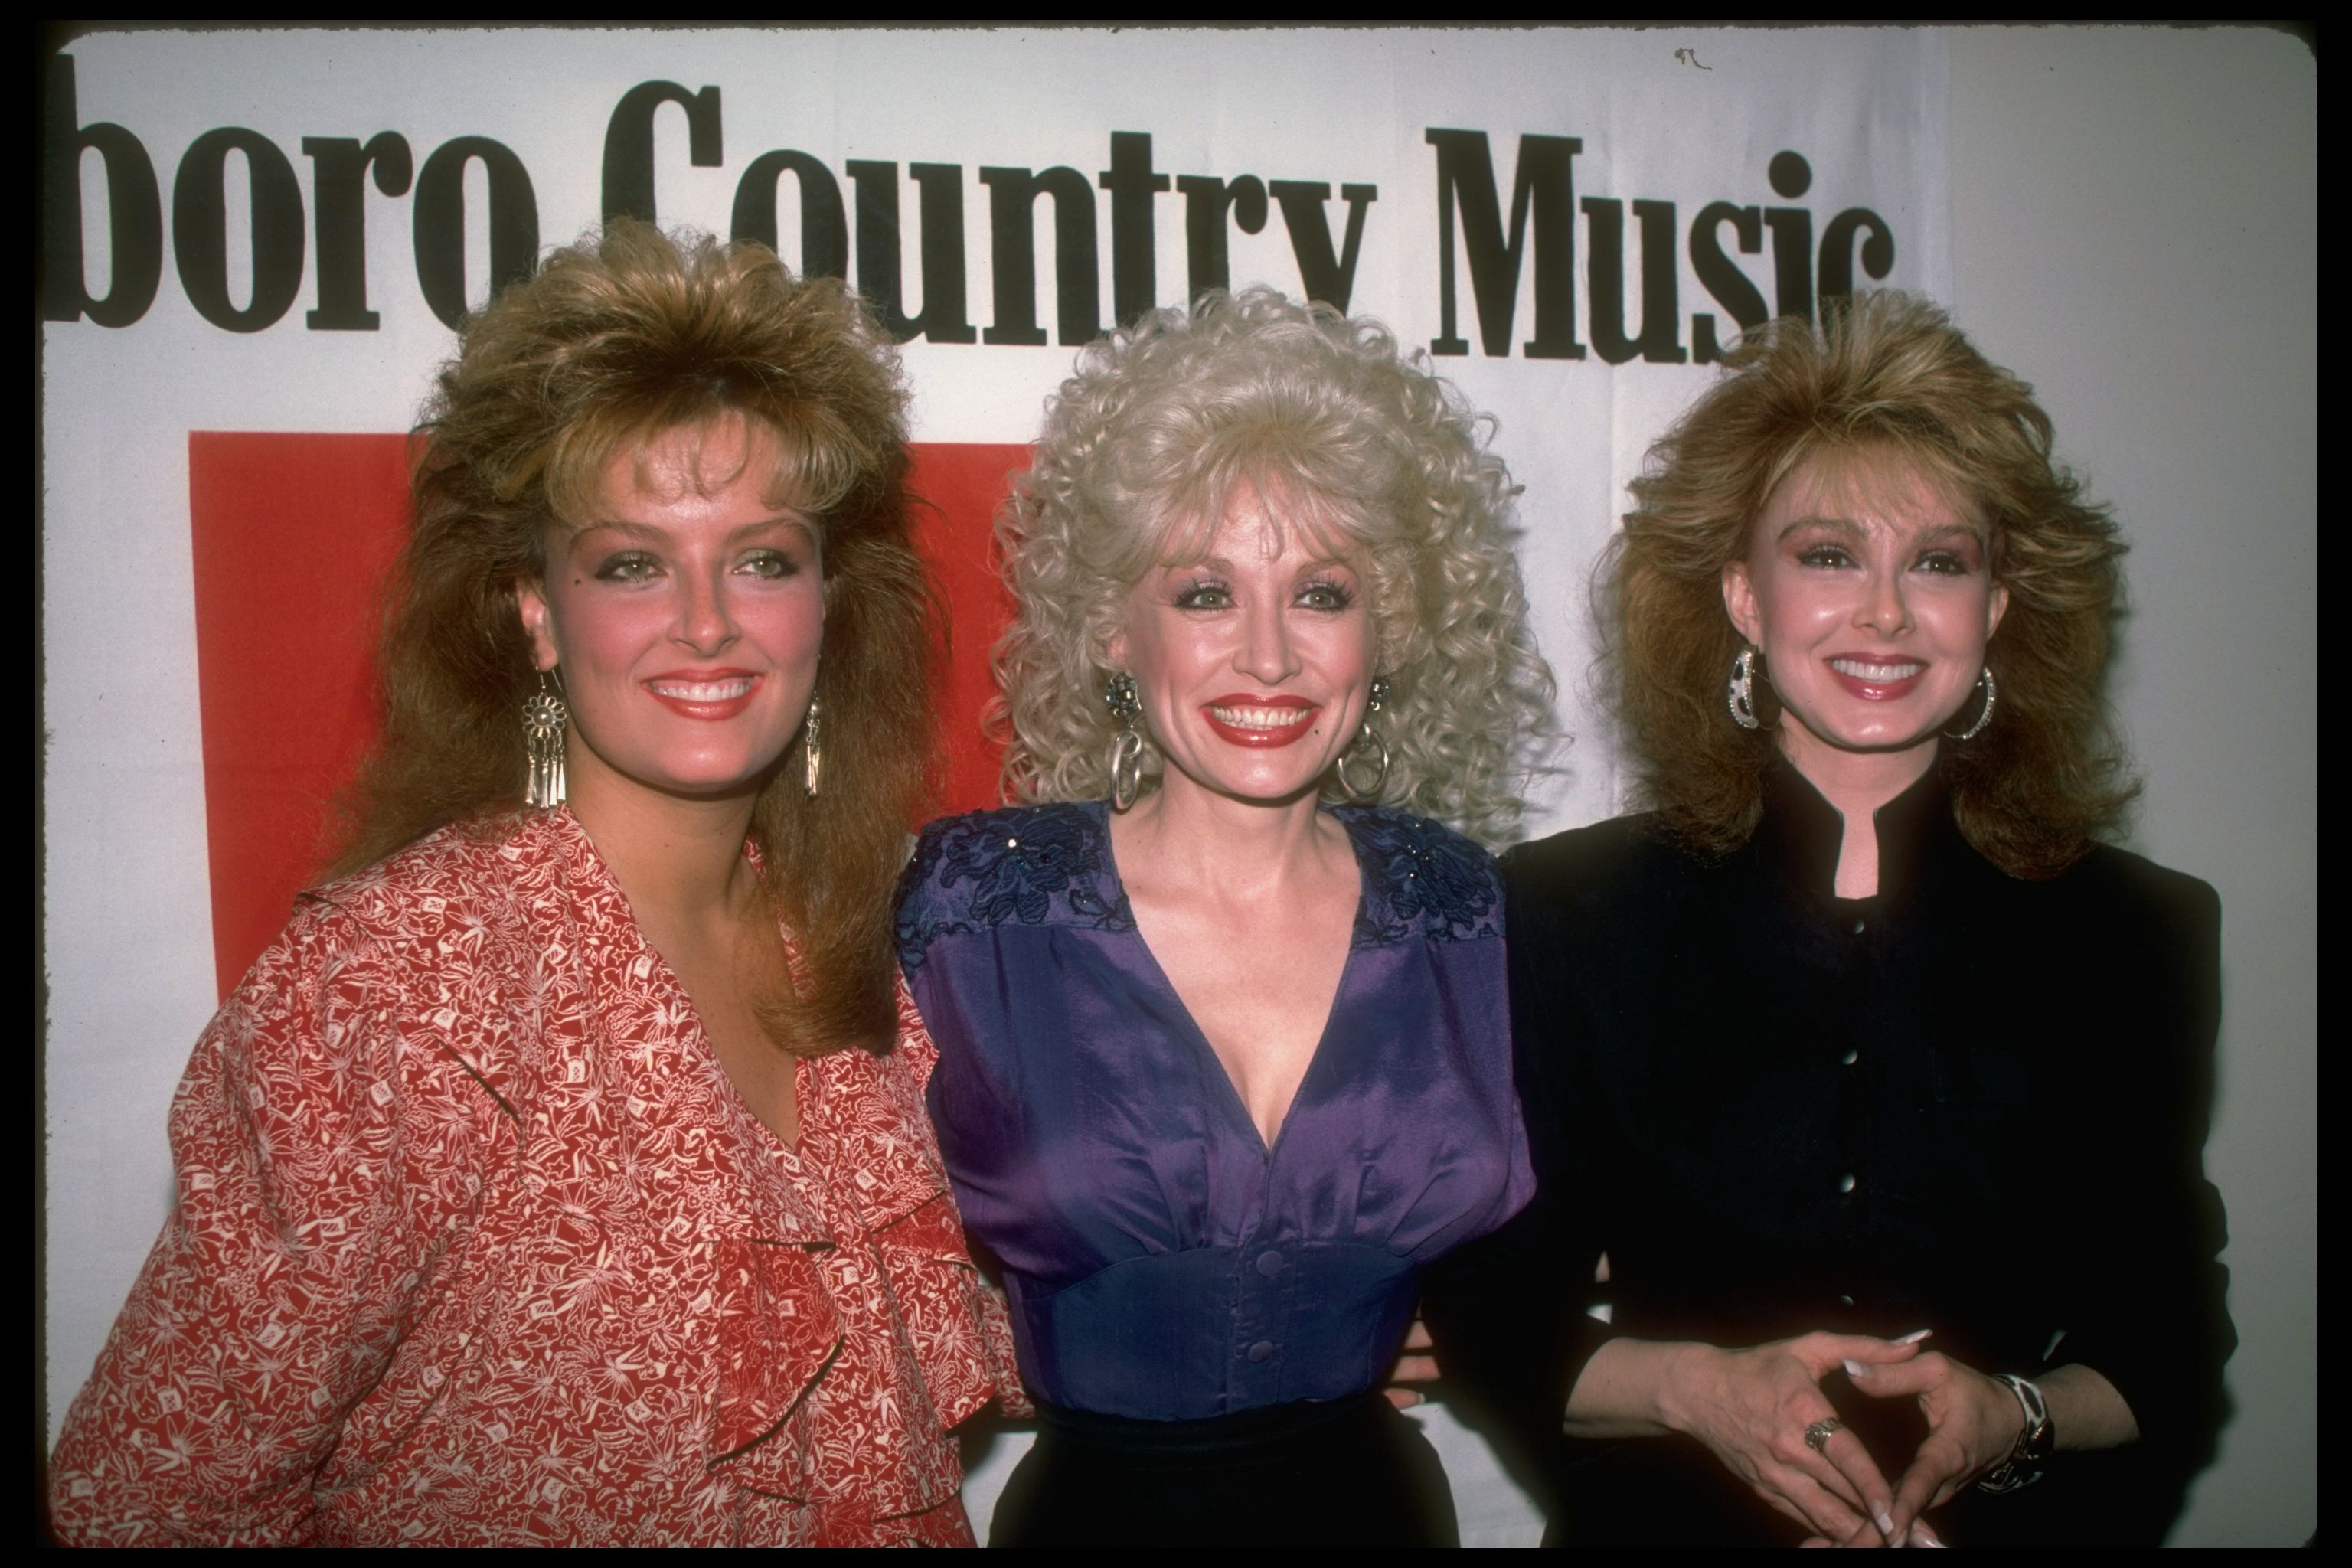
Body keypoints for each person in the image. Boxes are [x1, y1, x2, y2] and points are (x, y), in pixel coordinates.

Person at [47, 222, 1020, 1546]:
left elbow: (916, 1357)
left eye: (762, 556)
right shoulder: (396, 991)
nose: (706, 620)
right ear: (536, 611)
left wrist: (1307, 1302)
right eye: (631, 562)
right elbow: (150, 1503)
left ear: (826, 603)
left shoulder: (847, 949)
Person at [1424, 291, 2235, 1547]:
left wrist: (2011, 1416)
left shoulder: (2137, 932)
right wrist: (1704, 1392)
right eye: (1828, 555)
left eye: (1940, 563)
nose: (1886, 614)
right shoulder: (1566, 910)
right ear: (1745, 597)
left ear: (1999, 609)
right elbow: (1496, 1312)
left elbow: (2169, 1351)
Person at [893, 289, 1554, 1546]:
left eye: (1322, 592)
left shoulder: (1460, 910)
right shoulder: (972, 912)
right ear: (1110, 631)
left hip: (1378, 1517)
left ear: (1393, 628)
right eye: (1204, 593)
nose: (1268, 656)